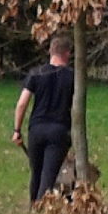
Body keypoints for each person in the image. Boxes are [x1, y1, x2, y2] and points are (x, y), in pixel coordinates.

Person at [12, 34, 75, 204]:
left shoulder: (36, 74)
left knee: (36, 174)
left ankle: (33, 208)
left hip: (36, 130)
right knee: (48, 178)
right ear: (67, 54)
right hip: (58, 131)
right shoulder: (72, 77)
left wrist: (17, 130)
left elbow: (22, 103)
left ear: (50, 51)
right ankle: (41, 210)